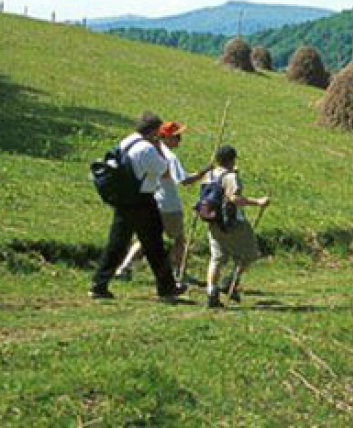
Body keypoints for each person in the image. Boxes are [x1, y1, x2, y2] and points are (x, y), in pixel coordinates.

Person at [89, 112, 186, 301]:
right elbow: (164, 170)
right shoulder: (147, 149)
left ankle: (98, 284)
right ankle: (166, 288)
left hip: (124, 198)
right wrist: (157, 146)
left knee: (117, 242)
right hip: (142, 199)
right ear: (153, 131)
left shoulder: (127, 141)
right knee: (154, 244)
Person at [115, 121, 212, 282]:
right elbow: (184, 180)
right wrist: (204, 172)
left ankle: (124, 267)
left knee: (144, 239)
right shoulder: (170, 157)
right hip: (169, 205)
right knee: (179, 239)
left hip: (152, 201)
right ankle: (177, 272)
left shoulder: (152, 151)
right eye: (176, 136)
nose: (180, 139)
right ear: (165, 137)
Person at [205, 145, 270, 308]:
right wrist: (258, 202)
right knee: (250, 254)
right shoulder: (231, 177)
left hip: (213, 221)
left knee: (217, 259)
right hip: (233, 222)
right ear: (232, 160)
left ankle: (211, 293)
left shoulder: (209, 174)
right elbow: (234, 198)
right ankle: (229, 282)